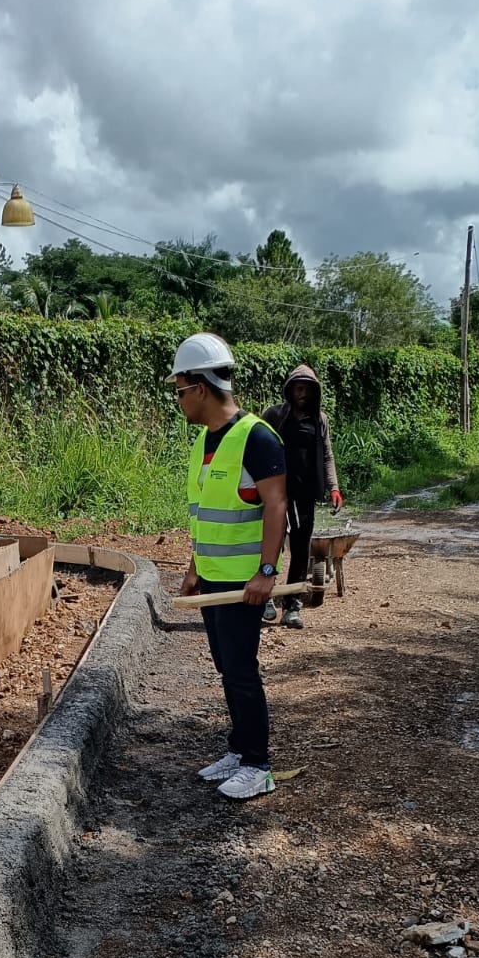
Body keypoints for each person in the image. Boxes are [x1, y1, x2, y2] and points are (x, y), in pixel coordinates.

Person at [172, 332, 288, 801]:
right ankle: (239, 750)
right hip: (214, 577)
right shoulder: (206, 439)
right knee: (225, 665)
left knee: (241, 669)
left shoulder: (256, 437)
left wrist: (266, 570)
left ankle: (259, 765)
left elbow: (276, 505)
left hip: (245, 582)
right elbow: (207, 511)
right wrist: (194, 565)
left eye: (179, 391)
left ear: (199, 387)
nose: (178, 401)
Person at [260, 365, 343, 628]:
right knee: (269, 546)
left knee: (300, 548)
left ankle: (292, 605)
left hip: (304, 493)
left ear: (314, 391)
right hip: (274, 493)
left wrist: (334, 488)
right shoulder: (274, 416)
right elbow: (256, 451)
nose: (302, 392)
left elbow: (327, 455)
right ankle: (265, 599)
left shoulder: (320, 420)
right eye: (298, 387)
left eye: (307, 388)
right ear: (290, 389)